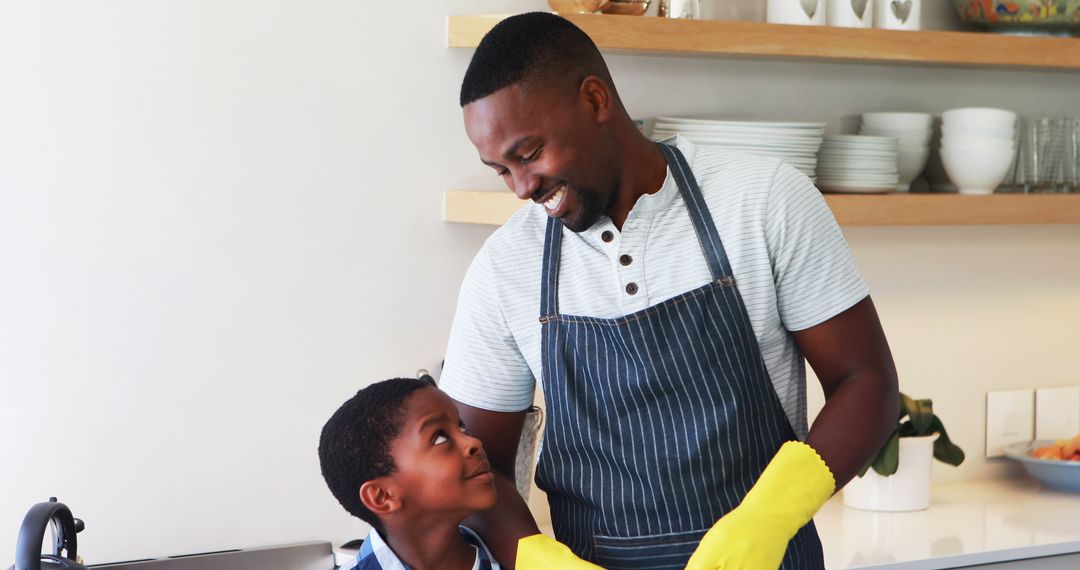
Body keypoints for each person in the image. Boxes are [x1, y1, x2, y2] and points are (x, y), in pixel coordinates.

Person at [440, 11, 900, 570]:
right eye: (500, 170)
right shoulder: (503, 267)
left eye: (530, 153)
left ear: (595, 100)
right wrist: (538, 559)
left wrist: (768, 519)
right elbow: (470, 472)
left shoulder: (763, 201)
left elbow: (867, 385)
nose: (521, 188)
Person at [318, 377, 504, 570]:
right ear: (383, 496)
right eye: (440, 437)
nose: (473, 442)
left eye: (462, 426)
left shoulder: (517, 557)